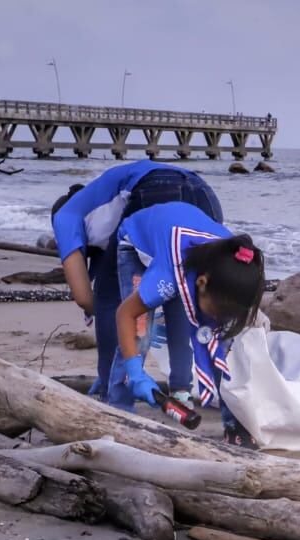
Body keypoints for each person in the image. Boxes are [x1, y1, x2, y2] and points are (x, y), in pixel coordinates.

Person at [50, 161, 224, 405]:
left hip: (155, 190)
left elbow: (84, 298)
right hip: (205, 196)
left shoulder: (64, 215)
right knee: (181, 289)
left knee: (109, 298)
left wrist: (107, 368)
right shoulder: (100, 203)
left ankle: (115, 391)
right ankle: (181, 390)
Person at [110, 201, 263, 448]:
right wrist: (135, 371)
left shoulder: (235, 265)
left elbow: (220, 346)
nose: (219, 319)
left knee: (220, 341)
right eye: (218, 312)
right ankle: (118, 408)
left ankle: (234, 423)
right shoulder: (169, 276)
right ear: (200, 283)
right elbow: (124, 314)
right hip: (138, 244)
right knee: (141, 332)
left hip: (184, 240)